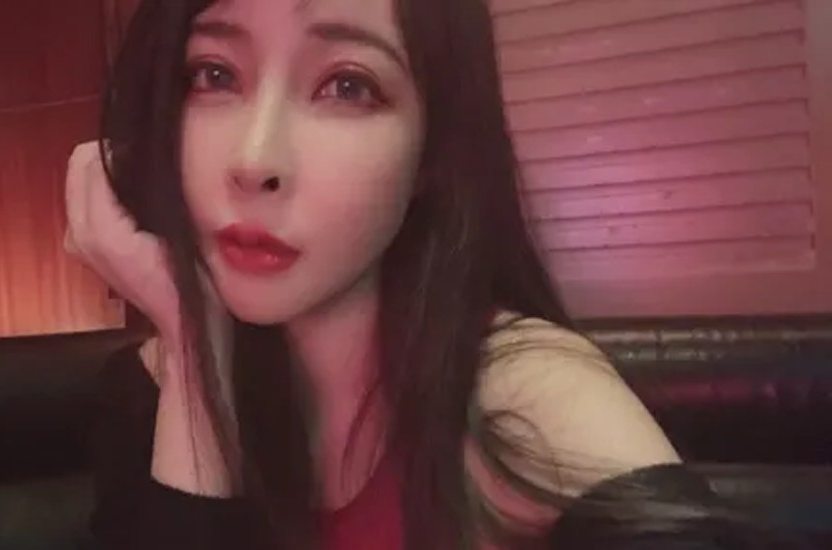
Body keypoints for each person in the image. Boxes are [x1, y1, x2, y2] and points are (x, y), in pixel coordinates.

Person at [64, 0, 805, 548]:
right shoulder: (149, 391)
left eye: (347, 85)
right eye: (213, 74)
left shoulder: (522, 395)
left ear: (432, 150)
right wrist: (195, 354)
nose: (255, 160)